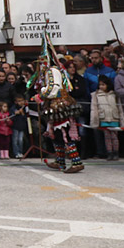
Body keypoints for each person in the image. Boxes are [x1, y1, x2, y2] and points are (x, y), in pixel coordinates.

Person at [34, 36, 84, 173]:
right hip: (55, 106)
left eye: (42, 61)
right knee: (56, 135)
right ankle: (60, 161)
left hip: (59, 106)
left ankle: (76, 161)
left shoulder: (52, 71)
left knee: (64, 133)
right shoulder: (53, 71)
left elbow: (53, 89)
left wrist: (40, 95)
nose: (41, 64)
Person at [90, 74, 122, 161]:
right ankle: (109, 153)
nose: (101, 86)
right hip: (103, 118)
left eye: (103, 84)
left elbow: (119, 108)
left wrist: (122, 120)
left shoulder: (114, 94)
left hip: (114, 118)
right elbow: (94, 109)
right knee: (107, 137)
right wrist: (95, 121)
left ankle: (116, 152)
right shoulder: (96, 95)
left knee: (114, 137)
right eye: (100, 85)